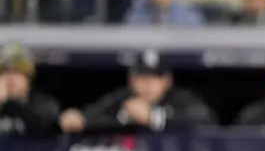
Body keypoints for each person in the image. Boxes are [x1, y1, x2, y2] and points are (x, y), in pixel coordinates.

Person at [59, 50, 215, 133]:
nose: (148, 84)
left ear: (167, 81)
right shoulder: (122, 98)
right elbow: (89, 116)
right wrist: (77, 118)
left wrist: (153, 118)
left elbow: (205, 119)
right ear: (131, 80)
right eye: (142, 77)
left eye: (155, 78)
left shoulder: (180, 98)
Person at [0, 44, 59, 135]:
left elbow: (46, 126)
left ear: (28, 79)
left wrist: (10, 103)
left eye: (16, 72)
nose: (10, 78)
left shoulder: (44, 104)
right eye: (6, 72)